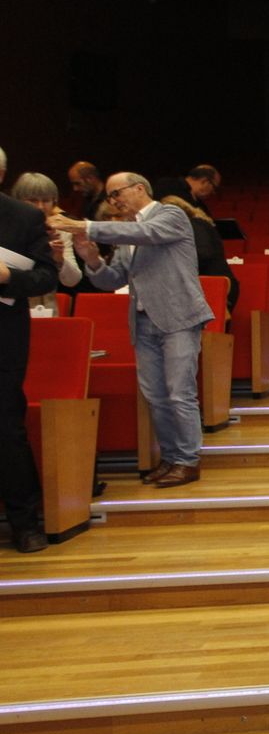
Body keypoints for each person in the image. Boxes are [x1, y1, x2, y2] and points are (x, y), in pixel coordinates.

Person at [51, 172, 213, 488]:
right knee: (156, 395)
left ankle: (188, 460)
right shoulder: (128, 232)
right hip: (143, 321)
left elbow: (147, 233)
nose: (114, 201)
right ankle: (171, 457)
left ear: (140, 188)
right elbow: (112, 280)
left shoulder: (170, 214)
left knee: (179, 392)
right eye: (110, 197)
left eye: (117, 194)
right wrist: (91, 259)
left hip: (178, 317)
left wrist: (85, 226)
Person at [0, 150, 58, 553]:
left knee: (6, 429)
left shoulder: (22, 217)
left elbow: (45, 277)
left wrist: (7, 276)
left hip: (3, 340)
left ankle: (25, 523)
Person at [10, 172, 81, 312]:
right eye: (33, 200)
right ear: (17, 201)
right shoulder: (7, 229)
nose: (41, 206)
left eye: (46, 200)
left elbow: (72, 281)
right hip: (11, 308)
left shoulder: (61, 232)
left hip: (48, 309)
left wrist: (59, 260)